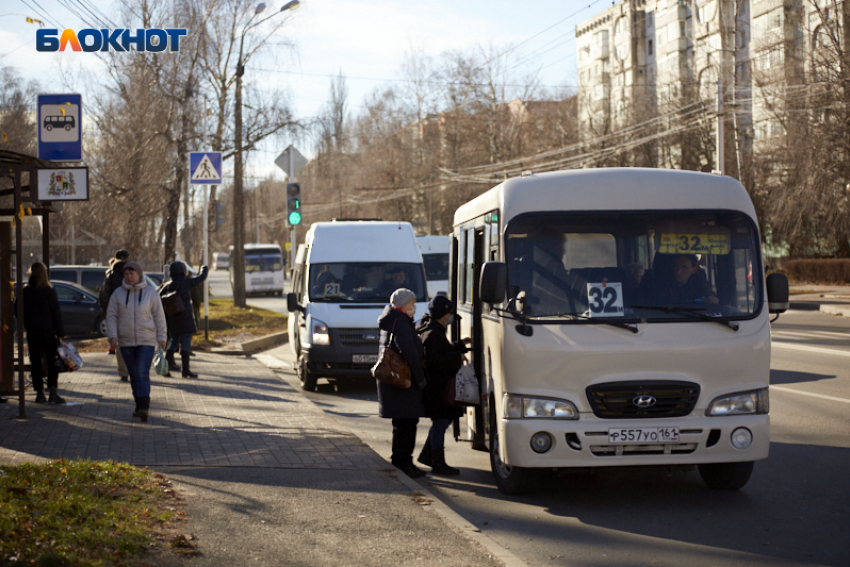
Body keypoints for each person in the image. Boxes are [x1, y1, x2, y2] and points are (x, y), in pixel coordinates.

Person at [106, 261, 167, 422]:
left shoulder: (151, 294)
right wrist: (112, 335)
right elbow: (111, 316)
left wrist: (162, 337)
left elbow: (159, 317)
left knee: (141, 372)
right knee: (133, 374)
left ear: (139, 274)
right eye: (126, 274)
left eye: (132, 273)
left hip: (146, 341)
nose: (129, 277)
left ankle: (143, 407)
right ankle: (138, 404)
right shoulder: (118, 294)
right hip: (125, 342)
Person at [376, 288, 428, 478]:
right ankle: (403, 462)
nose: (414, 306)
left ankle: (402, 461)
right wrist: (420, 378)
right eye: (412, 303)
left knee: (402, 423)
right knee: (407, 423)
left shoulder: (390, 319)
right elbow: (408, 351)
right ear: (405, 304)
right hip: (403, 380)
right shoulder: (401, 321)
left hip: (393, 380)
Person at [416, 296, 470, 476]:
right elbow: (435, 360)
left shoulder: (432, 329)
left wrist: (460, 346)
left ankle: (429, 456)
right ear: (441, 314)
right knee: (441, 422)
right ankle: (437, 461)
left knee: (441, 422)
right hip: (437, 388)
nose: (451, 316)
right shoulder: (434, 333)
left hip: (436, 387)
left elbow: (441, 351)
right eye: (449, 313)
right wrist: (457, 357)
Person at [20, 263, 66, 404]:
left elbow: (17, 310)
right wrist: (60, 333)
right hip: (48, 331)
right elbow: (55, 313)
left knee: (35, 362)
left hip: (32, 332)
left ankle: (39, 393)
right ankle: (52, 392)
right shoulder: (48, 291)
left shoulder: (25, 291)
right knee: (52, 362)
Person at [162, 262, 209, 378]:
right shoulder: (186, 283)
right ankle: (186, 370)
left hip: (173, 318)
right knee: (185, 344)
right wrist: (204, 269)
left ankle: (166, 368)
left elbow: (158, 297)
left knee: (173, 342)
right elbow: (201, 278)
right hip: (186, 318)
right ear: (183, 271)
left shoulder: (168, 285)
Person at [98, 249, 131, 382]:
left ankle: (123, 371)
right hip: (132, 312)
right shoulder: (133, 272)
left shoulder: (110, 275)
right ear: (127, 258)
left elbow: (104, 296)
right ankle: (134, 369)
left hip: (116, 312)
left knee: (120, 343)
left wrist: (108, 312)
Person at [654, 254, 719, 305]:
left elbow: (707, 292)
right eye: (676, 267)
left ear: (694, 269)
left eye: (684, 268)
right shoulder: (662, 284)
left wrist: (709, 296)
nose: (678, 272)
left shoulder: (699, 282)